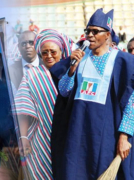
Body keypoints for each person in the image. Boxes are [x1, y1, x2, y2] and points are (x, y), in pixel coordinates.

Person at [57, 8, 134, 179]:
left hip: (107, 133)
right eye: (87, 31)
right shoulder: (79, 58)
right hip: (78, 132)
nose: (89, 35)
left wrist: (124, 136)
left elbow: (131, 102)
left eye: (95, 31)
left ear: (107, 34)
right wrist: (71, 71)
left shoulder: (123, 61)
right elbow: (63, 91)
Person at [14, 29, 73, 180]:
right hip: (43, 136)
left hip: (70, 134)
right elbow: (23, 108)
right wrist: (23, 136)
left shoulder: (72, 72)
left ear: (62, 51)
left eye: (53, 51)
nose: (49, 56)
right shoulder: (32, 75)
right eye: (44, 52)